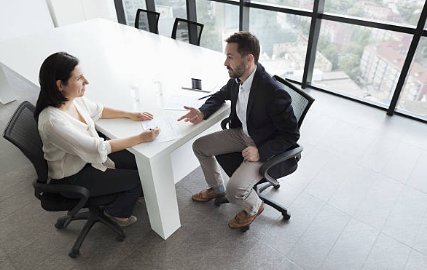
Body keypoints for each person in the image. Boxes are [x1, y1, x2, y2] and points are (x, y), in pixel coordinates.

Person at [178, 32, 300, 229]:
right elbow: (219, 95)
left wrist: (260, 151)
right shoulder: (238, 78)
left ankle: (255, 206)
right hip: (243, 133)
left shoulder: (274, 93)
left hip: (264, 144)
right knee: (200, 146)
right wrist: (202, 111)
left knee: (234, 191)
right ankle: (217, 188)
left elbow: (291, 135)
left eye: (230, 57)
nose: (225, 63)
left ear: (249, 58)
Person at [34, 52, 160, 227]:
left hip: (87, 159)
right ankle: (116, 213)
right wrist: (140, 137)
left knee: (137, 160)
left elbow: (98, 110)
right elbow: (97, 149)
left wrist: (130, 114)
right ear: (60, 85)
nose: (86, 81)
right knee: (142, 178)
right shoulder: (53, 121)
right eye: (79, 78)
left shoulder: (72, 99)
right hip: (74, 176)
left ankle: (123, 193)